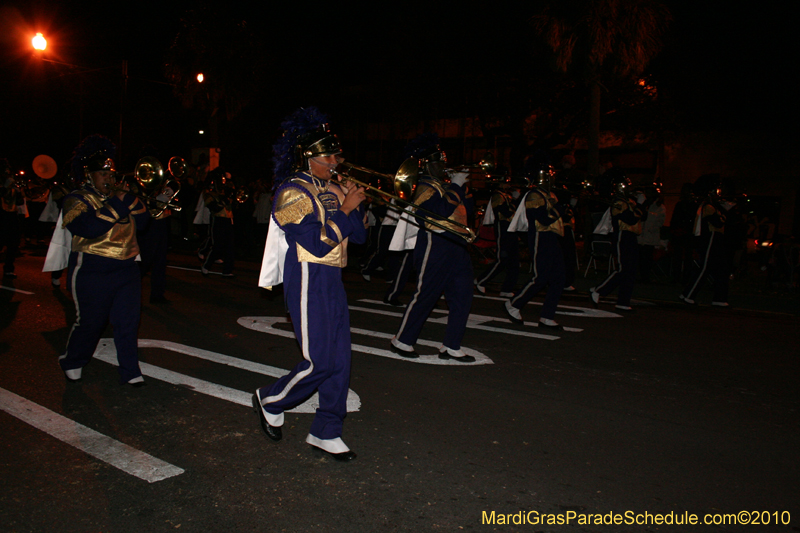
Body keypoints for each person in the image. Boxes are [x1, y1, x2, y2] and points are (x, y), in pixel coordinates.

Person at [254, 108, 366, 462]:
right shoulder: (290, 192)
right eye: (329, 155)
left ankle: (327, 430)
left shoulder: (331, 187)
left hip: (333, 277)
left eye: (337, 154)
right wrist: (345, 210)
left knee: (341, 360)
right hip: (306, 275)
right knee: (319, 360)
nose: (336, 161)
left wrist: (352, 203)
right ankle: (270, 399)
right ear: (309, 156)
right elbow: (316, 243)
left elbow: (359, 237)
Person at [57, 135, 150, 386]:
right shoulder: (75, 199)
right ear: (89, 176)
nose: (109, 179)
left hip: (127, 268)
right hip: (92, 268)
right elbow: (87, 228)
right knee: (91, 323)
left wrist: (133, 200)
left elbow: (143, 223)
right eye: (103, 174)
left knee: (128, 322)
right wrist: (120, 203)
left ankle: (130, 370)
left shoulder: (122, 196)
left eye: (112, 175)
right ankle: (73, 360)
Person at [389, 134, 475, 363]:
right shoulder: (424, 187)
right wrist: (456, 186)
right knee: (426, 294)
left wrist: (462, 188)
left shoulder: (445, 186)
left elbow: (466, 212)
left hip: (457, 244)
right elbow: (435, 213)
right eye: (439, 161)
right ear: (427, 164)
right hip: (436, 245)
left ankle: (452, 345)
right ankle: (402, 340)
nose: (444, 165)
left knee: (463, 296)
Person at [504, 163, 566, 329]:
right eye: (549, 174)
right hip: (541, 236)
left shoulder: (549, 194)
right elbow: (543, 218)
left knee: (559, 278)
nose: (552, 177)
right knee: (541, 276)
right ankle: (514, 303)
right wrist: (561, 207)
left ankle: (547, 316)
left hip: (552, 237)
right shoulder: (534, 195)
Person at [589, 172, 644, 311]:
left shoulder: (628, 201)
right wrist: (640, 205)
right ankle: (598, 290)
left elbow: (642, 216)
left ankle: (623, 301)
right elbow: (630, 218)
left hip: (631, 236)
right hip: (622, 236)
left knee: (630, 271)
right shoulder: (619, 202)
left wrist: (640, 204)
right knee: (622, 269)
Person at [680, 175, 729, 306]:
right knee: (704, 268)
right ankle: (688, 295)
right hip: (710, 238)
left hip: (716, 239)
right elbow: (718, 223)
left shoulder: (713, 206)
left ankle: (720, 298)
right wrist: (724, 212)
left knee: (721, 270)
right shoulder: (708, 206)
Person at [474, 176, 521, 297]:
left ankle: (507, 289)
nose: (508, 184)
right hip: (503, 228)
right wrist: (515, 200)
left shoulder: (506, 195)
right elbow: (505, 212)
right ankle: (481, 280)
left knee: (514, 262)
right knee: (502, 259)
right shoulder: (497, 196)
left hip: (512, 228)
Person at [200, 169, 235, 277]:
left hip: (229, 220)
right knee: (218, 245)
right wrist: (224, 200)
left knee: (230, 247)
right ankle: (206, 266)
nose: (223, 182)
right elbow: (213, 208)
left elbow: (233, 205)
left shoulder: (226, 191)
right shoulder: (210, 193)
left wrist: (231, 196)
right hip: (218, 220)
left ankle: (227, 270)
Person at [637, 186, 665, 283]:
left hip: (650, 236)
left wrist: (651, 229)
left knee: (647, 257)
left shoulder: (659, 206)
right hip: (640, 235)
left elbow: (660, 221)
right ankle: (640, 275)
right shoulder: (642, 204)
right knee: (640, 257)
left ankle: (646, 276)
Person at [1, 160, 24, 279]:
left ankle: (8, 269)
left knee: (13, 244)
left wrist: (19, 192)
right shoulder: (3, 184)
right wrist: (5, 187)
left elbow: (19, 202)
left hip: (11, 216)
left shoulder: (12, 186)